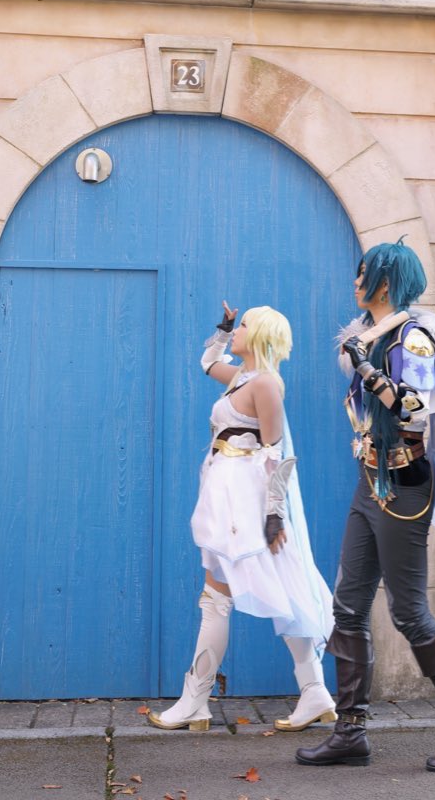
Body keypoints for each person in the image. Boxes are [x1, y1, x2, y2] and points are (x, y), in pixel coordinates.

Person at [296, 240, 435, 772]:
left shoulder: (414, 338)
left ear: (385, 282)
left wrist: (366, 369)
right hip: (371, 479)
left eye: (363, 274)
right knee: (348, 605)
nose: (355, 281)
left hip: (405, 482)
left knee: (408, 611)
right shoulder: (371, 335)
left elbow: (414, 408)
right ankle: (350, 732)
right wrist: (362, 358)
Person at [148, 303, 335, 733]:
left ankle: (195, 701)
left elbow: (276, 454)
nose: (238, 331)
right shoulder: (242, 378)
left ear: (261, 336)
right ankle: (313, 692)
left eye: (244, 325)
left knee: (220, 598)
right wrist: (222, 328)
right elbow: (207, 363)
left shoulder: (265, 384)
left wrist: (273, 515)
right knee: (270, 589)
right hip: (227, 496)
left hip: (245, 503)